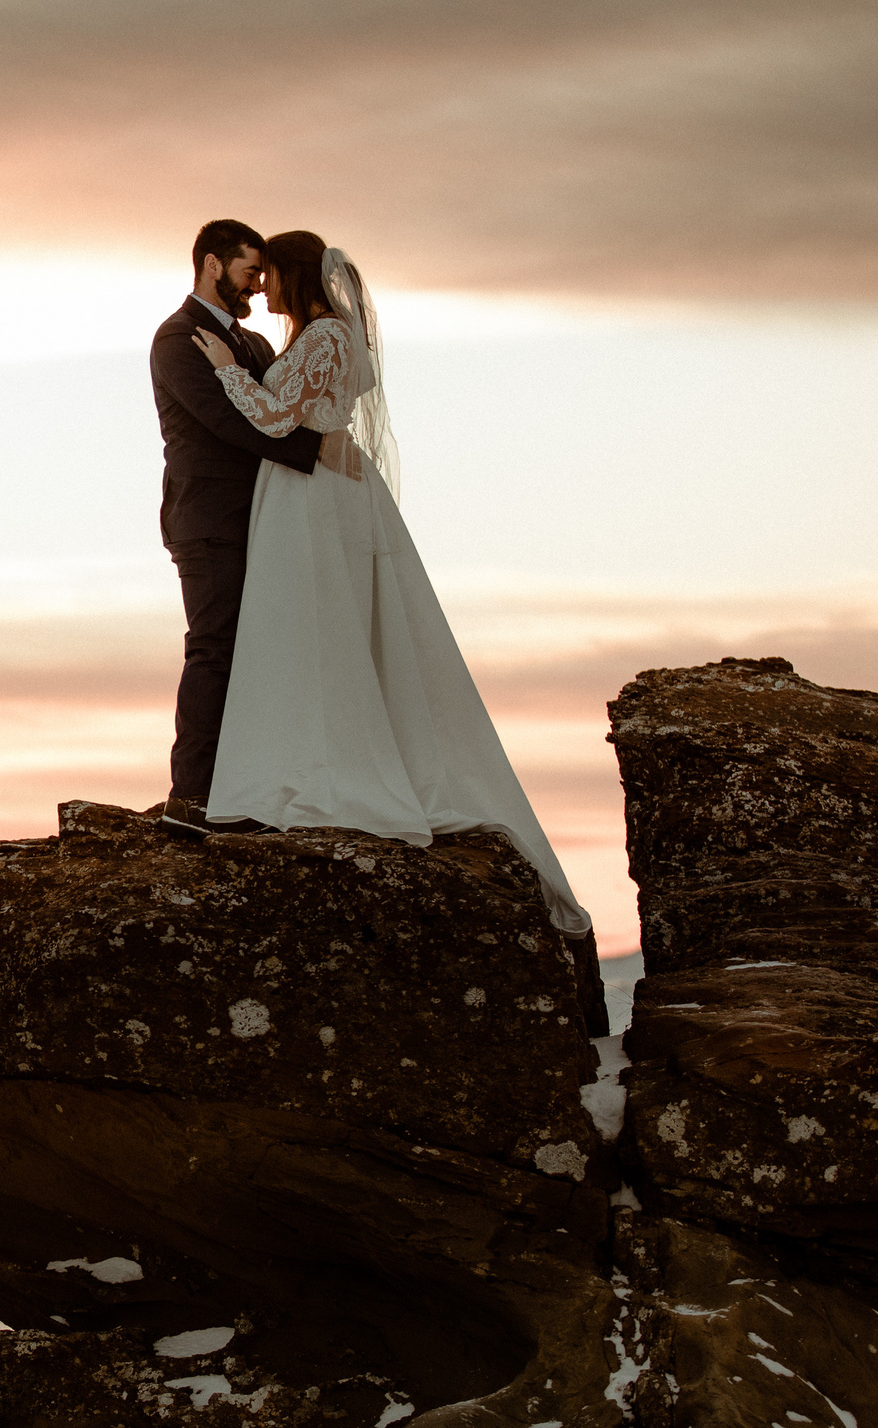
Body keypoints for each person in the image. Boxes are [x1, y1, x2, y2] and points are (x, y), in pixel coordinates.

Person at [183, 229, 591, 941]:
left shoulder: (321, 338)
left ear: (295, 274)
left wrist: (227, 371)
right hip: (308, 489)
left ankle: (320, 768)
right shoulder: (319, 337)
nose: (262, 288)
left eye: (270, 274)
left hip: (308, 499)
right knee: (301, 631)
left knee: (314, 627)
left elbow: (277, 417)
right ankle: (293, 760)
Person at [149, 220, 325, 837]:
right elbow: (231, 422)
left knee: (260, 655)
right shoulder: (176, 339)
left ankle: (248, 789)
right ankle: (190, 798)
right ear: (212, 265)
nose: (258, 284)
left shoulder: (251, 344)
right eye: (250, 272)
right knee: (215, 648)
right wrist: (317, 452)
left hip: (264, 518)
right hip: (209, 521)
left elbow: (275, 409)